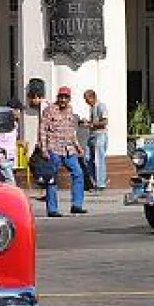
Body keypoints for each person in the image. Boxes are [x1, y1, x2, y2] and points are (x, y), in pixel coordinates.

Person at [39, 86, 87, 217]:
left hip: (69, 149)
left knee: (78, 174)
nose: (63, 100)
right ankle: (52, 209)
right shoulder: (49, 110)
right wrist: (44, 149)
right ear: (57, 97)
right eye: (61, 97)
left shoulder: (70, 110)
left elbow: (71, 131)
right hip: (54, 148)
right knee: (52, 178)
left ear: (69, 99)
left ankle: (77, 205)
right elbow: (43, 130)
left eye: (66, 97)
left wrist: (78, 147)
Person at [83, 89, 108, 191]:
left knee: (99, 159)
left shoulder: (101, 106)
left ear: (92, 97)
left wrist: (90, 124)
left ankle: (100, 184)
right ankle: (94, 182)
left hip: (100, 135)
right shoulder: (92, 107)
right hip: (92, 135)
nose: (86, 101)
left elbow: (105, 121)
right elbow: (95, 121)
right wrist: (88, 122)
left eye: (87, 99)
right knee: (88, 158)